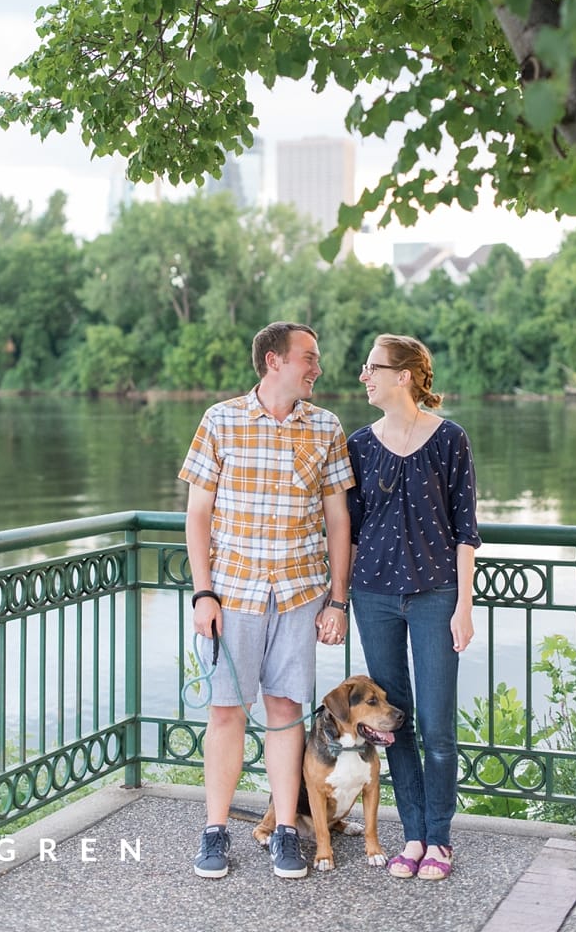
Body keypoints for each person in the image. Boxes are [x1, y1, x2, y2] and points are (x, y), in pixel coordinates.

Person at [179, 322, 355, 880]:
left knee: (286, 711)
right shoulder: (220, 420)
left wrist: (338, 601)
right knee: (227, 711)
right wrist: (203, 591)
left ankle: (284, 831)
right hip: (233, 594)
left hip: (302, 594)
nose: (317, 368)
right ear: (274, 360)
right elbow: (198, 515)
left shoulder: (326, 427)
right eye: (310, 357)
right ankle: (214, 832)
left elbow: (337, 520)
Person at [348, 334, 479, 882]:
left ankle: (441, 839)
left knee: (435, 723)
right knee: (390, 723)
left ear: (403, 376)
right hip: (373, 595)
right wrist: (337, 598)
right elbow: (350, 531)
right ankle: (414, 835)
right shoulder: (359, 443)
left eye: (372, 368)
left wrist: (464, 606)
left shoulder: (450, 439)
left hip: (435, 596)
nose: (363, 377)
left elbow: (466, 529)